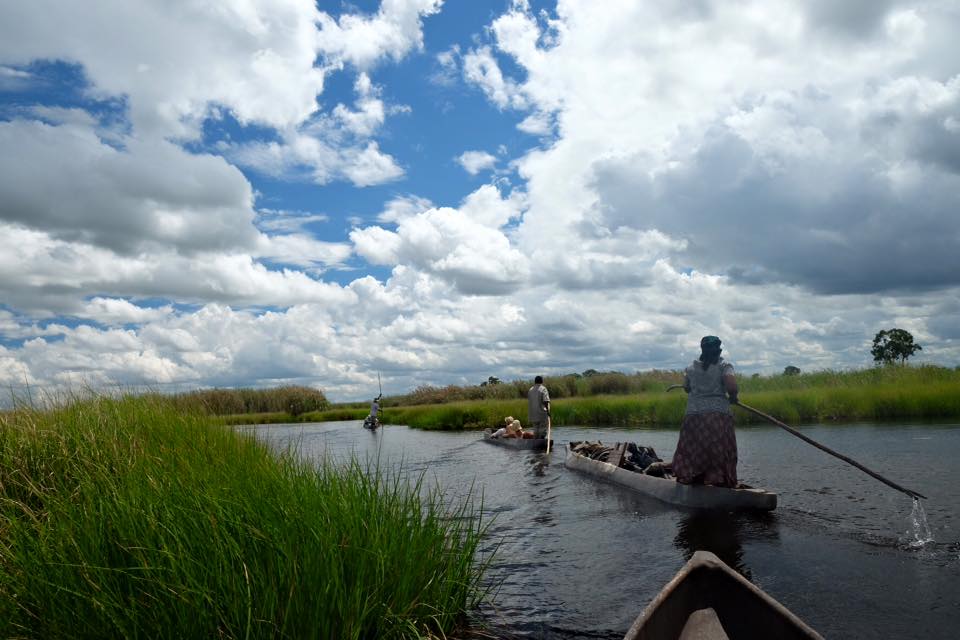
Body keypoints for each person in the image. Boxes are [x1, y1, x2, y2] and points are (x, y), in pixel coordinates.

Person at [672, 336, 739, 487]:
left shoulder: (690, 368)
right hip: (717, 415)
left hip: (693, 416)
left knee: (692, 448)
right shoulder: (724, 365)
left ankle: (693, 477)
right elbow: (732, 387)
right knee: (717, 449)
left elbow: (687, 388)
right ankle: (719, 480)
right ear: (719, 350)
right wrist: (733, 397)